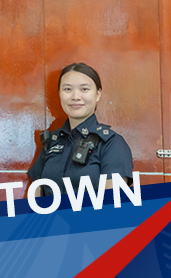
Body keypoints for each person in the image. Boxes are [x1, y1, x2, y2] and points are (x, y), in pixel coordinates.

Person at [28, 62, 133, 196]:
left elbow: (111, 205)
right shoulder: (52, 142)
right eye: (67, 89)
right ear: (59, 94)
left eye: (84, 89)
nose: (75, 97)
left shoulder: (112, 144)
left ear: (98, 94)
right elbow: (36, 197)